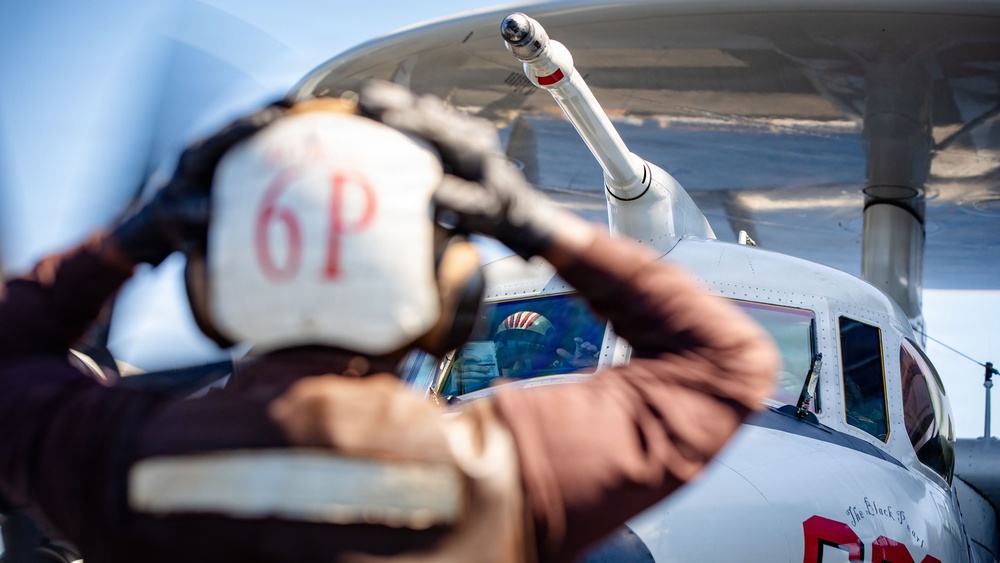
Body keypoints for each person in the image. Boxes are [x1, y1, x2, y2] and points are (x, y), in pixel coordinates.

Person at [0, 82, 779, 563]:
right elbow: (726, 358)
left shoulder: (112, 457)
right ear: (453, 293)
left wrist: (131, 237)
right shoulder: (511, 465)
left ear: (208, 291)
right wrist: (531, 220)